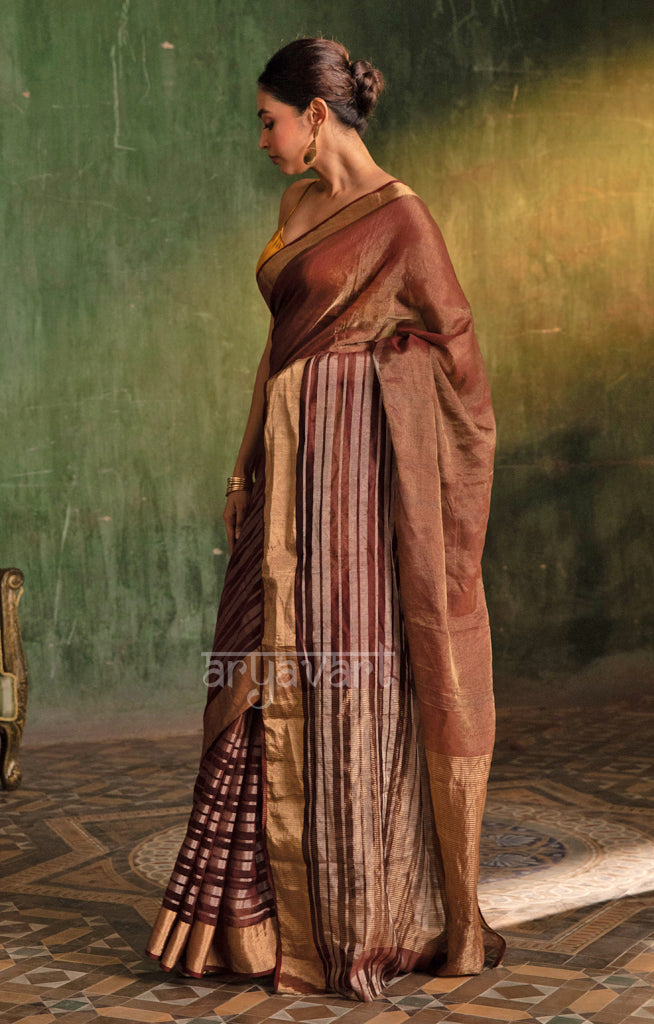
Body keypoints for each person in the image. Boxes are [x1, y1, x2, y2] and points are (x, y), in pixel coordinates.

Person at [146, 36, 504, 1002]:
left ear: (314, 113)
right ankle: (237, 922)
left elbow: (458, 370)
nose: (260, 140)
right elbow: (279, 351)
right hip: (281, 475)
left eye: (268, 120)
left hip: (350, 495)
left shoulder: (403, 220)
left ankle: (355, 909)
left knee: (344, 684)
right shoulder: (298, 204)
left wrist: (351, 387)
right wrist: (243, 457)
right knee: (249, 670)